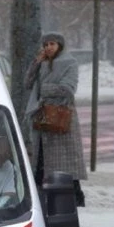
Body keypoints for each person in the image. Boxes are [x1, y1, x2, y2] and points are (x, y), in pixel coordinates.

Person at [24, 31, 87, 207]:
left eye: (52, 44)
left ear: (60, 45)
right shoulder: (42, 64)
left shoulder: (69, 63)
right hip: (41, 116)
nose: (49, 48)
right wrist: (36, 62)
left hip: (61, 116)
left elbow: (68, 89)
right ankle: (42, 195)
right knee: (42, 159)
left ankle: (75, 195)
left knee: (65, 161)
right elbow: (28, 83)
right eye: (46, 45)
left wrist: (44, 90)